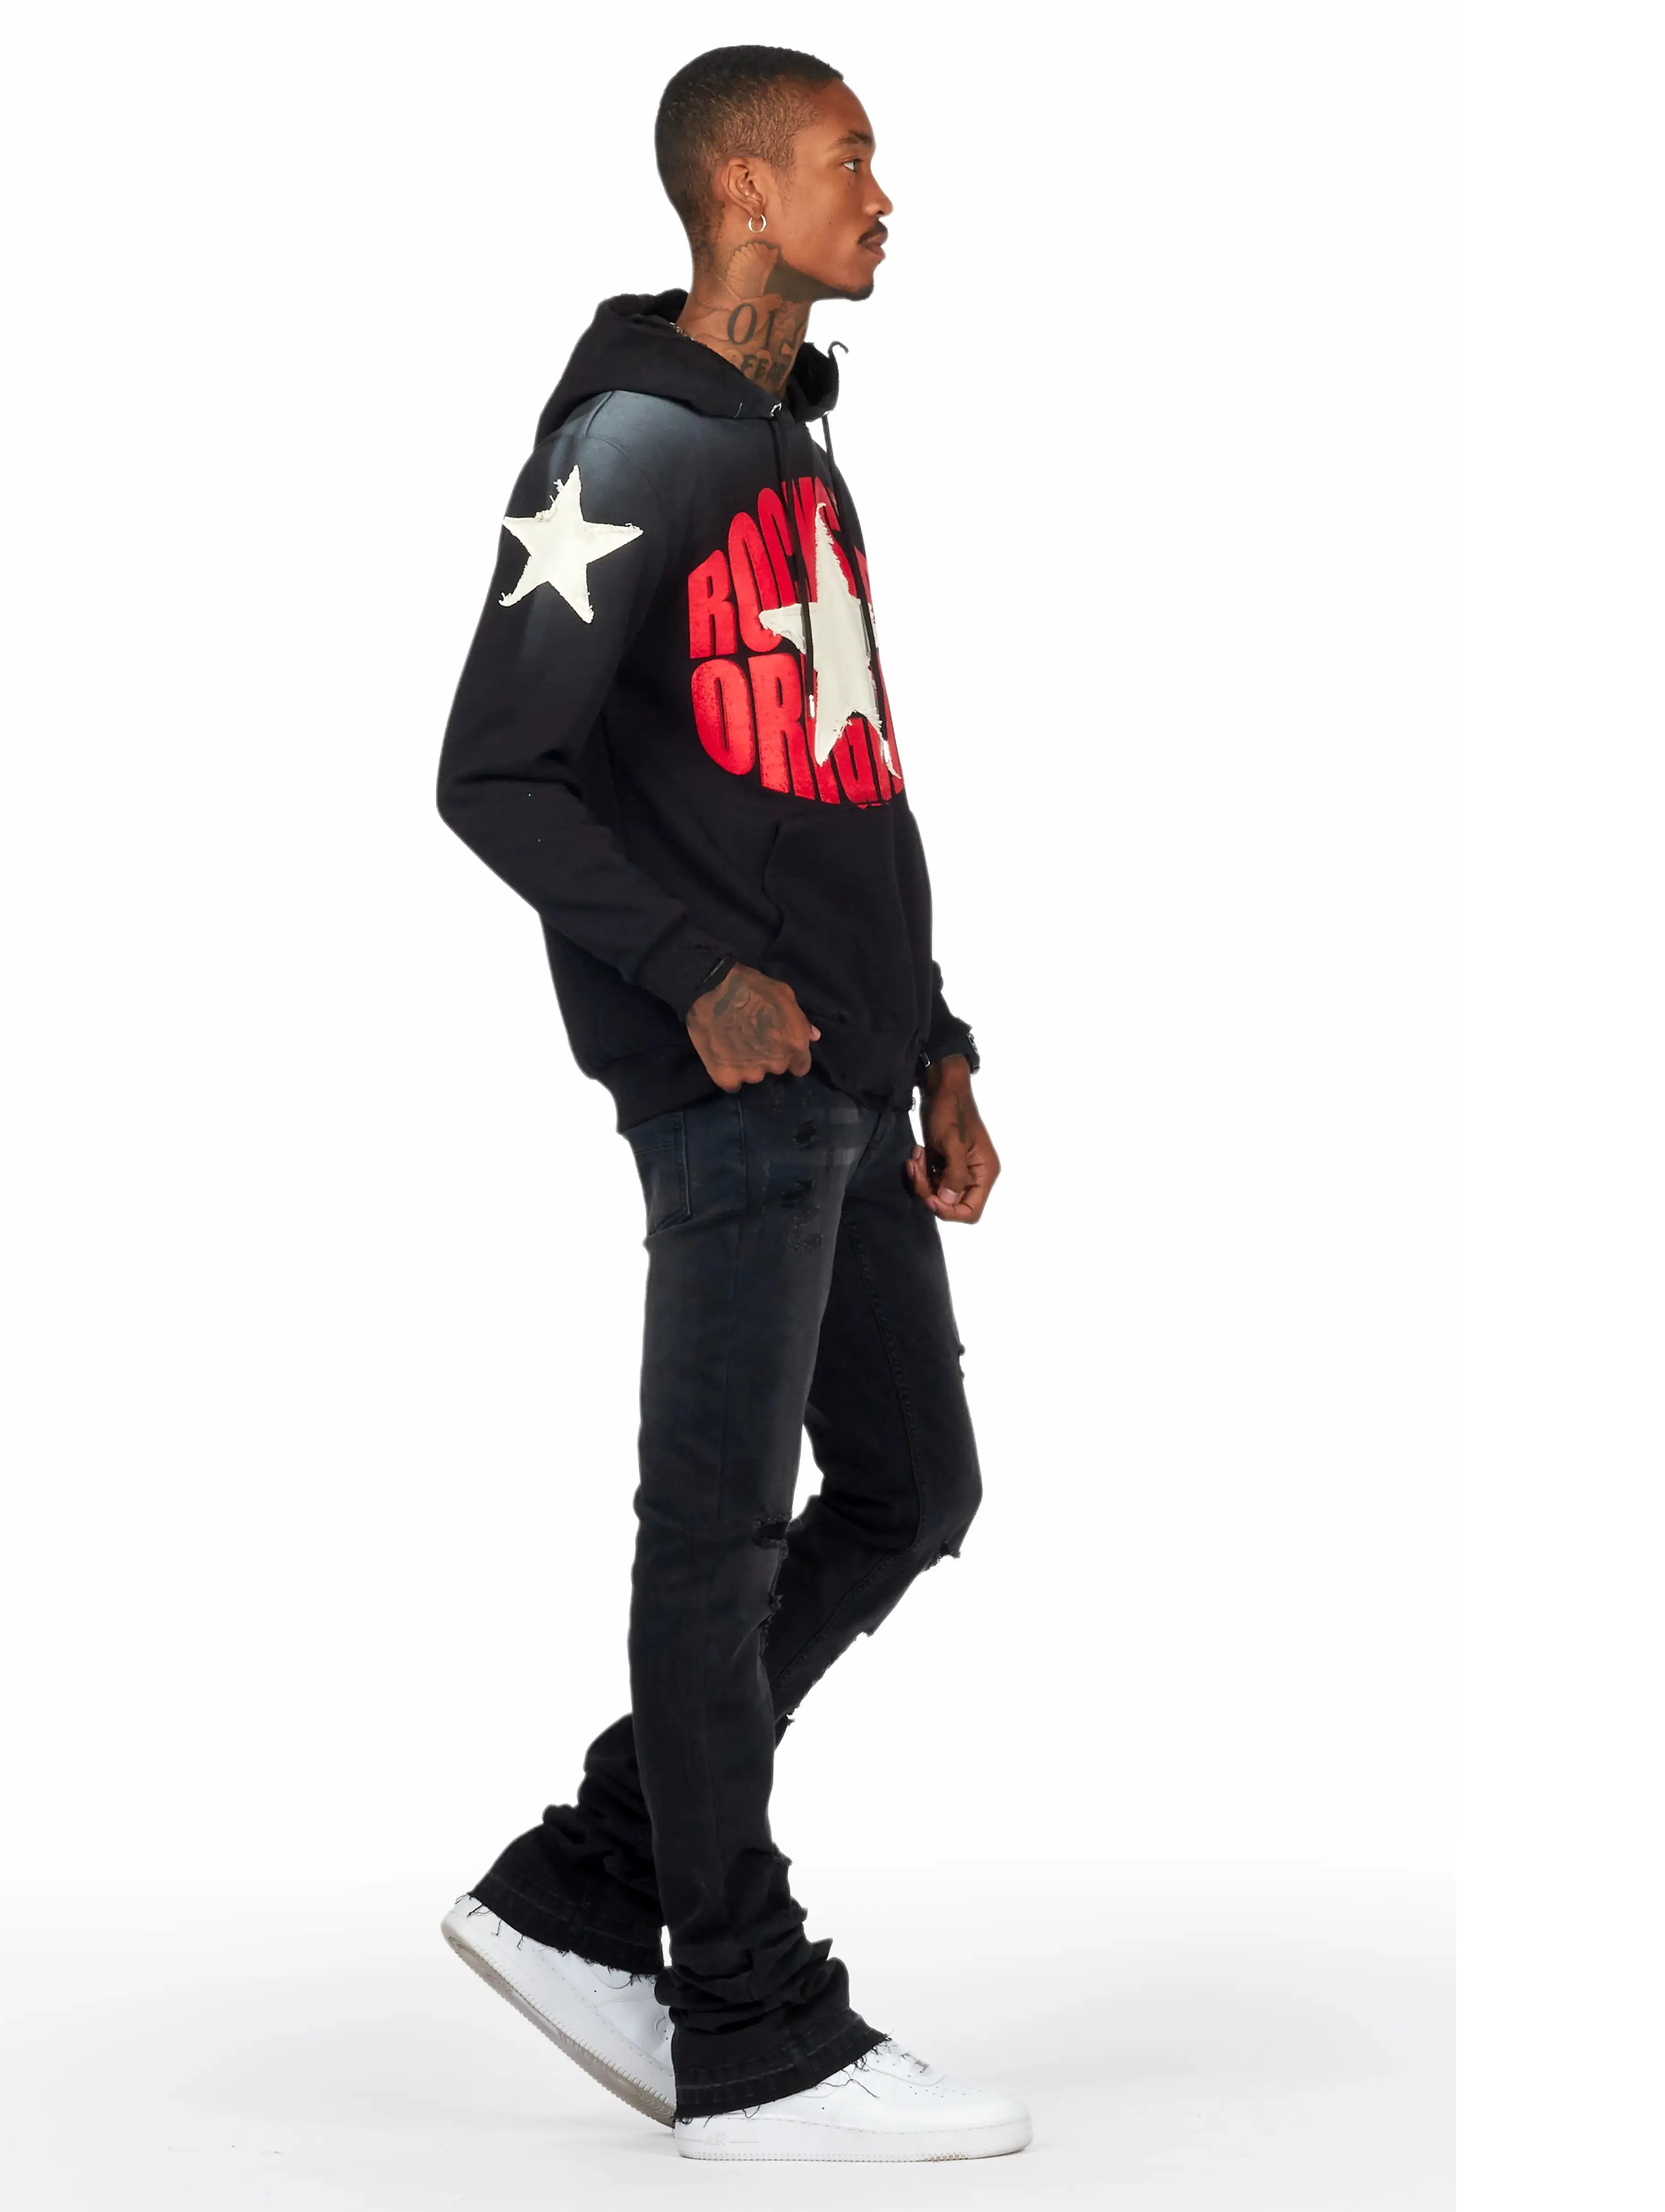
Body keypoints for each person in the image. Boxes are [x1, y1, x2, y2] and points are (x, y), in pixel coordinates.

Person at [432, 45, 1027, 2164]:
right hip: (730, 1082)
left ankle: (594, 1873)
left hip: (855, 1077)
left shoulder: (793, 452)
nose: (887, 194)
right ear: (746, 191)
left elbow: (851, 780)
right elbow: (492, 768)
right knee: (715, 1539)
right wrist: (698, 973)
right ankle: (748, 2026)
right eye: (853, 158)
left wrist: (937, 1037)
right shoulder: (632, 443)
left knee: (910, 1488)